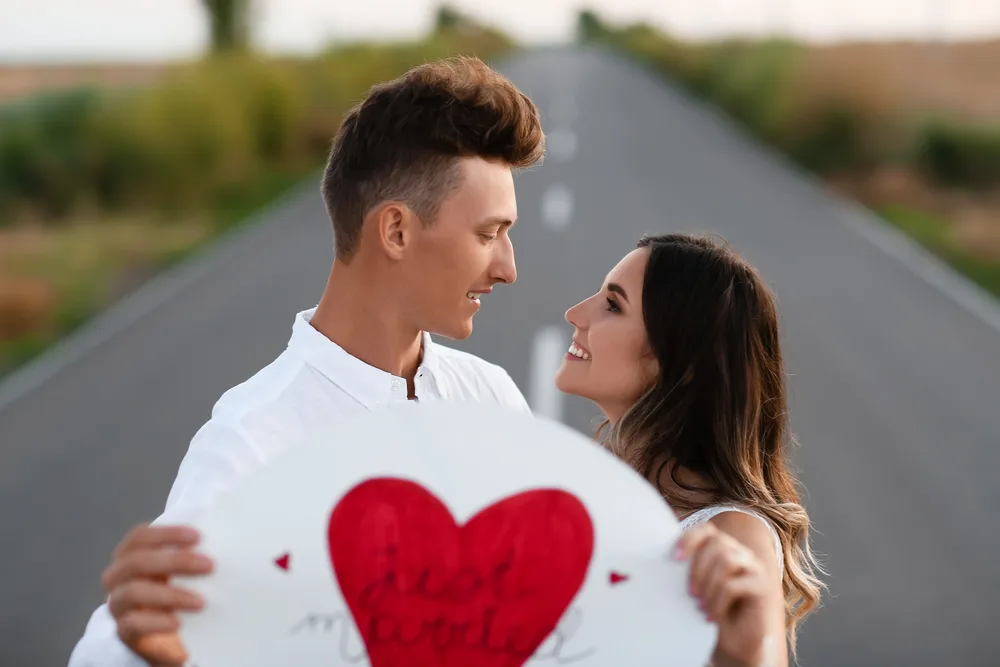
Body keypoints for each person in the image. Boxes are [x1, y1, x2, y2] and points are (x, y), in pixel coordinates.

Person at [67, 56, 545, 667]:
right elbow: (116, 646)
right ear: (396, 231)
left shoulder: (493, 397)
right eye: (489, 234)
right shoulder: (253, 443)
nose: (509, 267)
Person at [555, 233, 826, 667]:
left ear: (679, 365)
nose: (575, 314)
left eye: (612, 305)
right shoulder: (603, 489)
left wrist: (745, 653)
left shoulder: (732, 534)